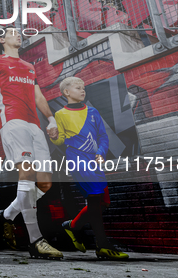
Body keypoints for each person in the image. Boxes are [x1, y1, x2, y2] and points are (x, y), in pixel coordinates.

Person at [0, 27, 63, 259]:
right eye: (13, 32)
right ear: (1, 39)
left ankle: (6, 214)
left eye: (20, 33)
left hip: (35, 125)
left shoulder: (29, 67)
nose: (19, 35)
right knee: (26, 175)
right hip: (13, 122)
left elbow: (38, 96)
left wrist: (51, 119)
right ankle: (35, 240)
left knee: (45, 184)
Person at [50, 77, 129, 260]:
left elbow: (103, 136)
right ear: (67, 92)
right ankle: (103, 246)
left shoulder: (93, 112)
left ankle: (72, 226)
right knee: (94, 199)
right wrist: (54, 136)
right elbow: (60, 140)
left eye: (83, 87)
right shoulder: (61, 114)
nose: (82, 90)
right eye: (78, 88)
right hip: (78, 159)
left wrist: (101, 152)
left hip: (95, 160)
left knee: (103, 203)